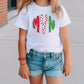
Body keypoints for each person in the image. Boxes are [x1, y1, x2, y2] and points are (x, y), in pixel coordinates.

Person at [15, 0, 72, 84]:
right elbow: (22, 39)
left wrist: (68, 60)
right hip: (34, 59)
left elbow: (64, 37)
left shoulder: (58, 10)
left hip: (54, 60)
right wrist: (23, 64)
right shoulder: (27, 10)